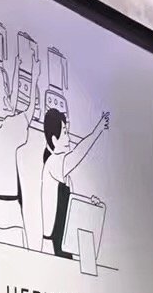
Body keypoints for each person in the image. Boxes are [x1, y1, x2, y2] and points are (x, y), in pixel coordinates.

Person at [0, 48, 41, 247]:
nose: (8, 93)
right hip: (10, 210)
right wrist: (34, 78)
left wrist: (15, 70)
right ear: (2, 93)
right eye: (5, 88)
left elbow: (9, 109)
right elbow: (27, 111)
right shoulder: (12, 126)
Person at [39, 107, 109, 258]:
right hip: (52, 248)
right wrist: (97, 131)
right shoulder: (52, 163)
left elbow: (70, 213)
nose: (69, 138)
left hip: (63, 246)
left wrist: (90, 207)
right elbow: (77, 155)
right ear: (54, 140)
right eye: (65, 133)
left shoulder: (64, 175)